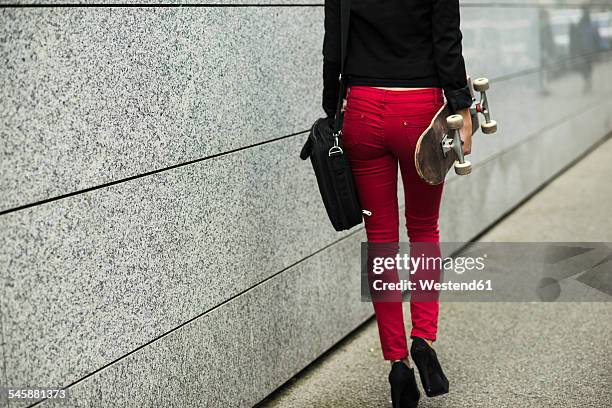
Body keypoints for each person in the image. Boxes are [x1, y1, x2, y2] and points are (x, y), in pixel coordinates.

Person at [322, 1, 473, 407]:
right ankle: (422, 338)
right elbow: (447, 42)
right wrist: (462, 106)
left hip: (363, 112)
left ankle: (397, 364)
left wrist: (331, 108)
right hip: (420, 112)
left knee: (382, 242)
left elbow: (333, 48)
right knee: (424, 229)